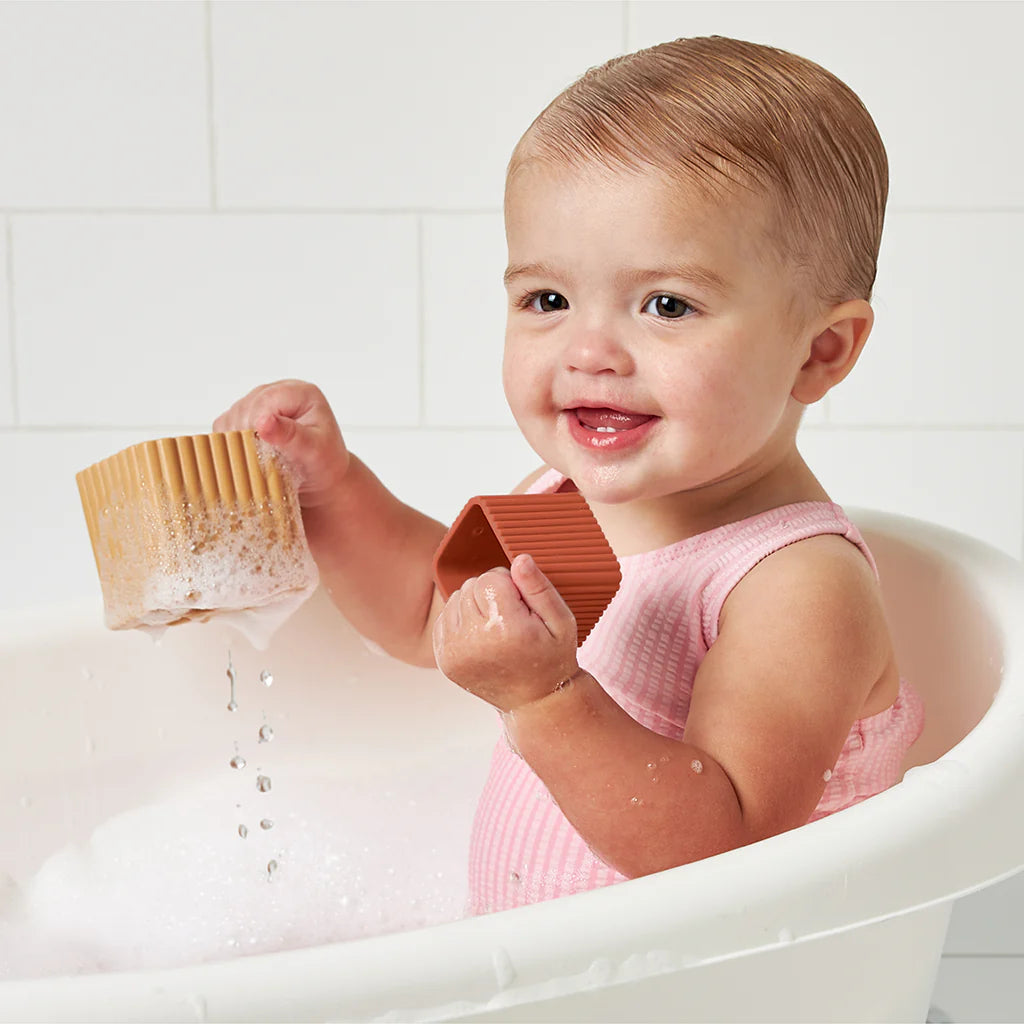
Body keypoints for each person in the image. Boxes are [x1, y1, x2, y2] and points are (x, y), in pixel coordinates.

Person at [214, 35, 924, 914]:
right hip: (545, 965)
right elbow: (429, 616)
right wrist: (333, 489)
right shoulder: (566, 500)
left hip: (709, 978)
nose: (589, 352)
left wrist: (545, 698)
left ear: (820, 352)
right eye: (547, 299)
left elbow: (723, 846)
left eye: (667, 305)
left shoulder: (795, 585)